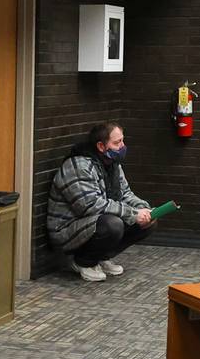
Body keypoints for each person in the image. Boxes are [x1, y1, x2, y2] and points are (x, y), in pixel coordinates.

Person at [47, 121, 155, 282]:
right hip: (66, 228)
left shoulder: (112, 164)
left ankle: (100, 257)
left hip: (93, 222)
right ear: (101, 146)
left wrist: (144, 209)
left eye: (122, 141)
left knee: (147, 221)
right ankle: (82, 261)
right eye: (117, 143)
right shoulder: (79, 166)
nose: (122, 146)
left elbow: (125, 193)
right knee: (113, 224)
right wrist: (133, 214)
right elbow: (90, 205)